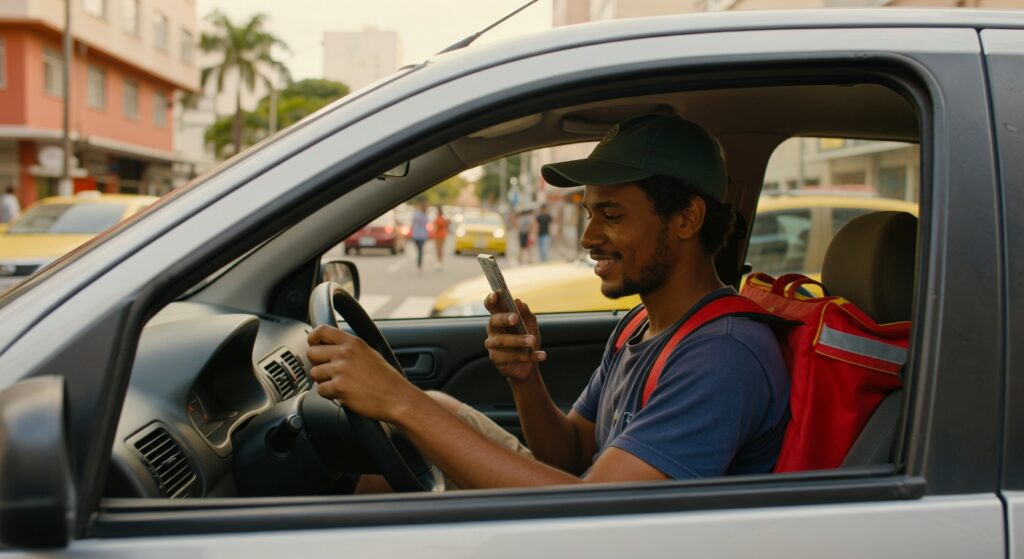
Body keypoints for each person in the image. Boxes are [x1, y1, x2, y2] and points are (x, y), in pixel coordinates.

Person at [308, 114, 789, 489]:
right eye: (588, 214)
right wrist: (525, 378)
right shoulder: (641, 324)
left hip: (598, 531)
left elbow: (598, 519)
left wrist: (398, 400)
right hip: (587, 514)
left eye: (611, 215)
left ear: (687, 219)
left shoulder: (724, 354)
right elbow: (569, 453)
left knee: (415, 415)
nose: (588, 238)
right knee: (425, 417)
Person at [410, 200, 429, 273]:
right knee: (420, 251)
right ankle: (419, 265)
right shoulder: (421, 214)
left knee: (419, 251)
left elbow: (414, 222)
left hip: (419, 235)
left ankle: (419, 265)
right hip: (419, 235)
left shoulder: (419, 214)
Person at [433, 206, 449, 271]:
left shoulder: (437, 219)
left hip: (438, 235)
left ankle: (439, 262)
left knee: (438, 249)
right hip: (443, 235)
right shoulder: (443, 219)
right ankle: (440, 262)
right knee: (441, 249)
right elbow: (446, 227)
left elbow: (435, 228)